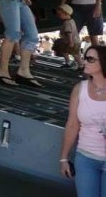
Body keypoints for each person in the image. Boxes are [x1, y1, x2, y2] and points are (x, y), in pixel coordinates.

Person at [60, 45, 106, 194]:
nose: (84, 61)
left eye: (90, 59)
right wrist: (63, 158)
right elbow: (73, 125)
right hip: (86, 158)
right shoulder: (80, 89)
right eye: (84, 57)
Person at [0, 0, 41, 87]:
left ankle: (23, 70)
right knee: (13, 34)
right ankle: (2, 70)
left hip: (19, 0)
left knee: (32, 35)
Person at [55, 4, 84, 69]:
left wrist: (71, 42)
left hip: (72, 42)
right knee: (66, 52)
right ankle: (69, 63)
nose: (58, 16)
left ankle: (81, 65)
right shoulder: (72, 20)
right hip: (75, 41)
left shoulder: (67, 23)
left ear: (66, 13)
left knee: (75, 54)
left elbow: (69, 33)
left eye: (60, 14)